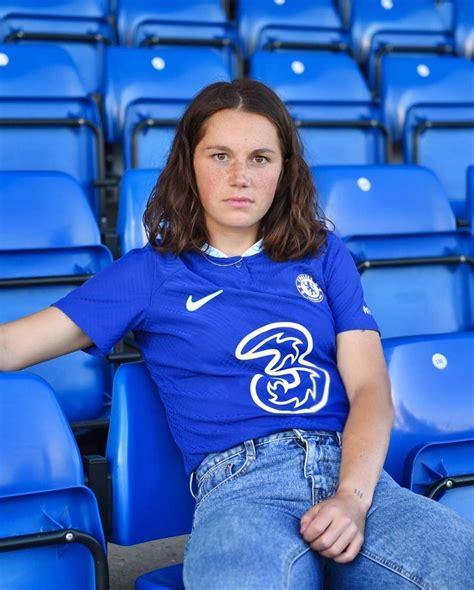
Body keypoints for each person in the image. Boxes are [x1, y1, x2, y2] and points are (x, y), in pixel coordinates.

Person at [1, 79, 472, 589]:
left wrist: (352, 499)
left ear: (283, 171)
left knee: (458, 564)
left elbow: (370, 389)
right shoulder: (149, 272)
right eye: (220, 155)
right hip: (242, 486)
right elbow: (13, 345)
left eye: (260, 159)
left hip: (353, 473)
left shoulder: (323, 253)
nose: (240, 176)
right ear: (190, 164)